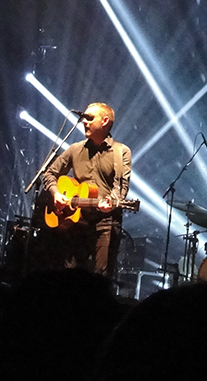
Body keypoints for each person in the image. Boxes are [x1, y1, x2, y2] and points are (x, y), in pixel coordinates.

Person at [42, 102, 131, 279]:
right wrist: (56, 193)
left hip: (104, 223)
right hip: (76, 223)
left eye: (90, 118)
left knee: (100, 277)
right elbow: (49, 173)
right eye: (84, 118)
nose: (84, 122)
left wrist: (111, 203)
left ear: (105, 121)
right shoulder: (75, 149)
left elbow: (121, 188)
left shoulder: (121, 152)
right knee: (70, 275)